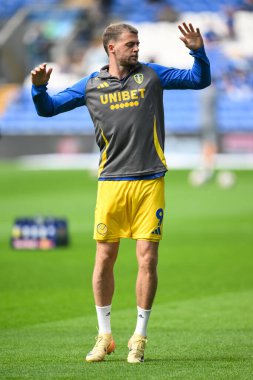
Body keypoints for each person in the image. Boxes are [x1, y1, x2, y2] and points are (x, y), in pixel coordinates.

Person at [31, 22, 211, 363]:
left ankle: (139, 337)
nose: (136, 48)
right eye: (130, 44)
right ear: (111, 48)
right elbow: (48, 108)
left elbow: (198, 79)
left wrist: (197, 51)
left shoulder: (152, 75)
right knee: (104, 259)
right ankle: (104, 335)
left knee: (148, 258)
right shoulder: (91, 85)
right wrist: (39, 90)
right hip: (111, 183)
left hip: (149, 181)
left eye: (138, 43)